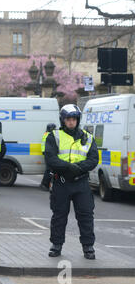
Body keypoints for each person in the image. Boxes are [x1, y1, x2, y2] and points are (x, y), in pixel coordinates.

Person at [45, 104, 98, 260]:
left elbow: (94, 159)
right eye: (68, 119)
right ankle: (56, 245)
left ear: (78, 120)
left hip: (81, 183)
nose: (71, 122)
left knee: (86, 216)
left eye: (74, 119)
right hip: (61, 182)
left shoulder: (87, 137)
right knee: (59, 216)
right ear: (62, 120)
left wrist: (79, 168)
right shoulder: (53, 136)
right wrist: (69, 167)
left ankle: (88, 247)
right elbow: (50, 158)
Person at [40, 123, 57, 191]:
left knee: (48, 170)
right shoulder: (50, 135)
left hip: (46, 153)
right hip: (48, 154)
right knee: (49, 170)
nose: (55, 130)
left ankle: (44, 184)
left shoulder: (46, 134)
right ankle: (45, 185)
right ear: (51, 129)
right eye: (54, 128)